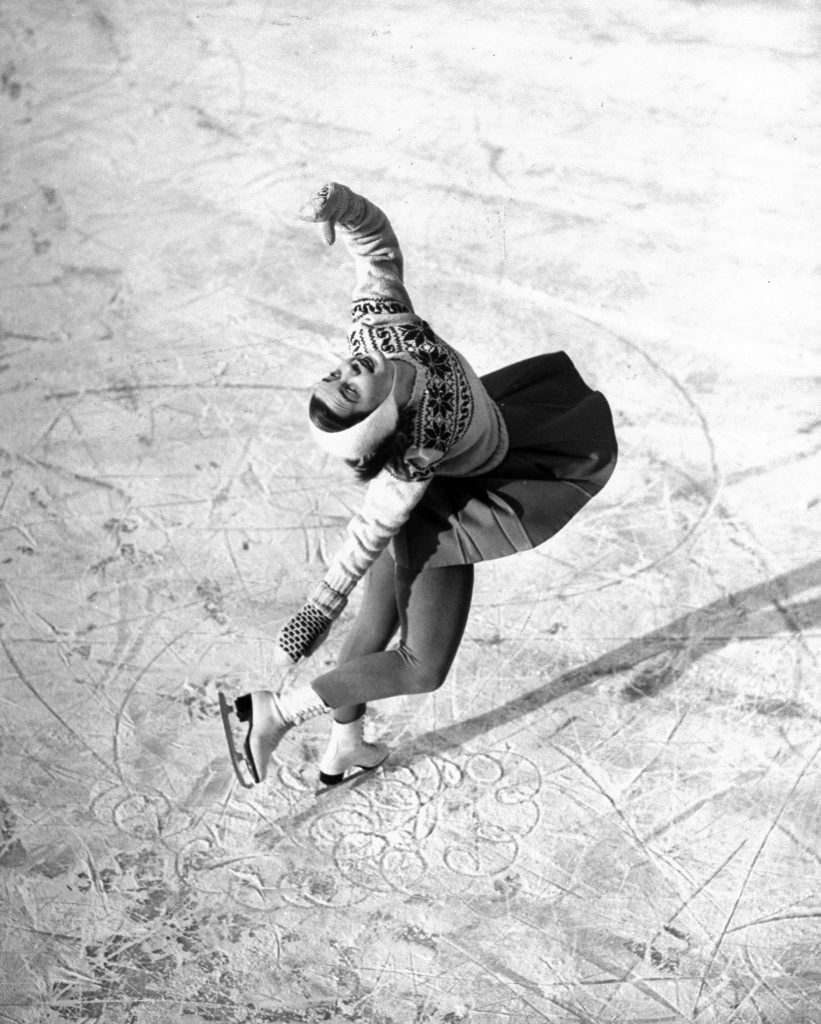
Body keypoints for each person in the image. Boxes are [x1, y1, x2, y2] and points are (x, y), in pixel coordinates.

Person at [219, 182, 618, 789]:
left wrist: (342, 207)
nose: (349, 370)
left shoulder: (376, 329)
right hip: (443, 508)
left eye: (335, 376)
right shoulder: (417, 451)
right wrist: (320, 605)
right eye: (351, 390)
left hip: (485, 450)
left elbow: (376, 250)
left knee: (373, 628)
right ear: (380, 419)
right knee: (421, 664)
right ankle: (277, 713)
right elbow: (374, 525)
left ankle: (345, 747)